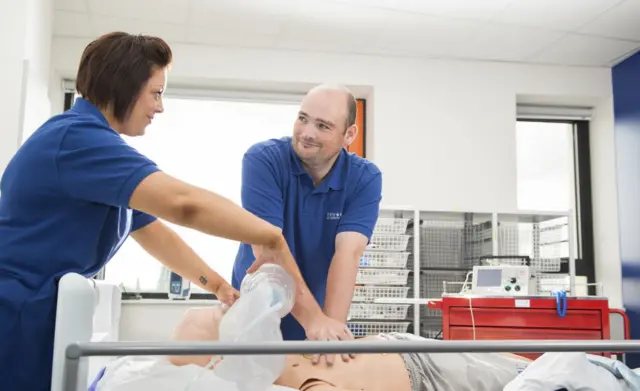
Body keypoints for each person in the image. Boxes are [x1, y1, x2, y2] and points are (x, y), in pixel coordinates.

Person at [0, 32, 304, 391]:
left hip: (35, 309)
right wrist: (268, 235)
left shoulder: (92, 149)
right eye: (156, 92)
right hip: (16, 311)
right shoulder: (78, 139)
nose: (159, 106)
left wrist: (218, 285)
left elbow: (153, 232)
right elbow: (183, 204)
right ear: (124, 86)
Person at [232, 84, 383, 364]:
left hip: (320, 311)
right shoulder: (263, 161)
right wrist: (315, 322)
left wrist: (329, 334)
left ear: (349, 134)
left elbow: (348, 254)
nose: (307, 132)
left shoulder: (365, 178)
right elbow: (268, 253)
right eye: (303, 118)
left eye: (323, 126)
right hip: (259, 312)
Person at [163, 306, 532, 391]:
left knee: (519, 365)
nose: (234, 308)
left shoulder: (277, 351)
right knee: (531, 376)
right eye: (222, 316)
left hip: (401, 349)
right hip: (427, 373)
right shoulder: (302, 382)